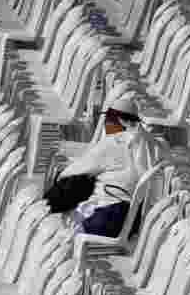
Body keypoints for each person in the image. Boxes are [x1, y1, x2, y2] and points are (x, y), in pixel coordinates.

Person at [54, 96, 161, 238]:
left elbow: (74, 171)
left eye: (110, 119)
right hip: (137, 220)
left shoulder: (113, 143)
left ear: (122, 121)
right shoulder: (154, 143)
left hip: (107, 218)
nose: (107, 124)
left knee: (67, 185)